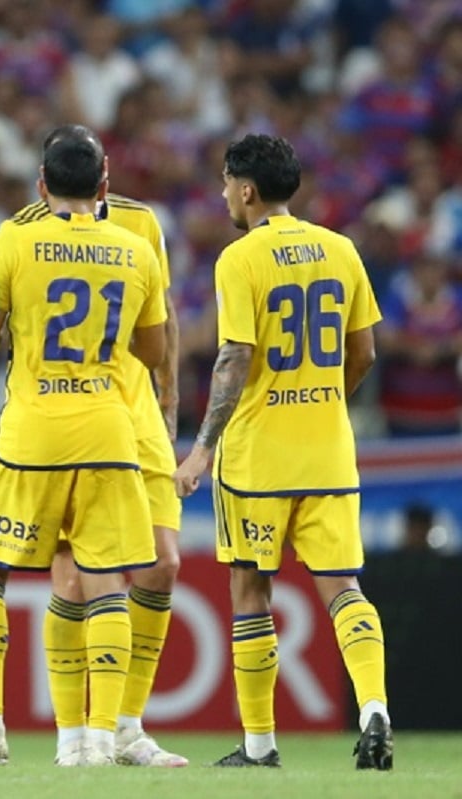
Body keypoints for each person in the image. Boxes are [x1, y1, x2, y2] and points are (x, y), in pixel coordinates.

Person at [0, 128, 186, 768]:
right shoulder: (133, 247)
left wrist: (18, 323)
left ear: (41, 184)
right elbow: (153, 350)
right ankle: (101, 740)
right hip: (109, 432)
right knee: (106, 579)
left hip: (32, 434)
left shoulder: (15, 237)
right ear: (104, 183)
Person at [174, 133, 393, 770]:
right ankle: (374, 707)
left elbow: (235, 355)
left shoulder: (240, 258)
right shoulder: (341, 249)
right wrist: (322, 399)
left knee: (250, 589)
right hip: (328, 452)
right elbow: (365, 352)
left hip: (257, 457)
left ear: (246, 189)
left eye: (225, 183)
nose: (223, 195)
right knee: (343, 587)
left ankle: (260, 745)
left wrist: (202, 449)